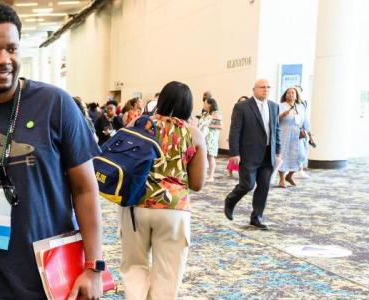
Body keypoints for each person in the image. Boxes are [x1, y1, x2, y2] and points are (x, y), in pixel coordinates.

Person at [0, 2, 105, 299]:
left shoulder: (56, 104)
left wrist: (94, 266)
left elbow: (84, 189)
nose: (4, 59)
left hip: (54, 272)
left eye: (12, 49)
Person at [118, 82, 207, 300]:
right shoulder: (193, 134)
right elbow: (197, 183)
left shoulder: (139, 124)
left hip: (135, 203)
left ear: (161, 100)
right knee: (168, 274)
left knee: (134, 267)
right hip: (173, 209)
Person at [224, 79, 281, 230]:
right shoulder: (242, 107)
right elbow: (235, 131)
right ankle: (230, 200)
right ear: (254, 89)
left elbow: (276, 130)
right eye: (262, 87)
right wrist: (234, 152)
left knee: (264, 186)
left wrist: (278, 151)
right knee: (247, 184)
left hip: (268, 154)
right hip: (248, 153)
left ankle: (257, 218)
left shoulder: (274, 106)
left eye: (268, 87)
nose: (266, 89)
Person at [276, 87, 308, 188]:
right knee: (283, 156)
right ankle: (281, 179)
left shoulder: (300, 107)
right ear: (285, 95)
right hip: (284, 133)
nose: (291, 94)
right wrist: (282, 115)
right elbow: (274, 120)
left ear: (296, 95)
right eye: (288, 93)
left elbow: (304, 121)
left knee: (301, 155)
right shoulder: (280, 106)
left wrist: (307, 133)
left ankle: (289, 175)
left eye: (293, 92)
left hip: (297, 134)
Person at [197, 94, 223, 180]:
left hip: (211, 138)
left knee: (210, 156)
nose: (204, 105)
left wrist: (208, 125)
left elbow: (220, 126)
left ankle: (211, 176)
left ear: (210, 104)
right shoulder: (205, 114)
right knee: (203, 156)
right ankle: (203, 174)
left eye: (205, 103)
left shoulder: (215, 114)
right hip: (203, 137)